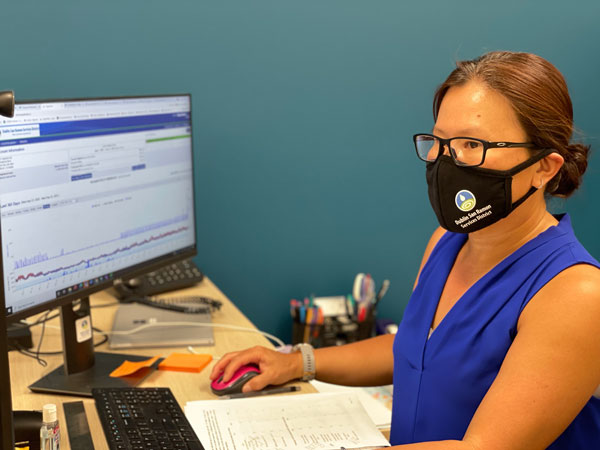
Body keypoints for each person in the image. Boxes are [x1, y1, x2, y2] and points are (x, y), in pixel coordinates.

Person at [210, 51, 600, 449]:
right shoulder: (447, 242)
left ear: (544, 167)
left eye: (471, 144)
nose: (446, 161)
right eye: (439, 142)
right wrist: (298, 362)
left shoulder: (576, 294)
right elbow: (415, 350)